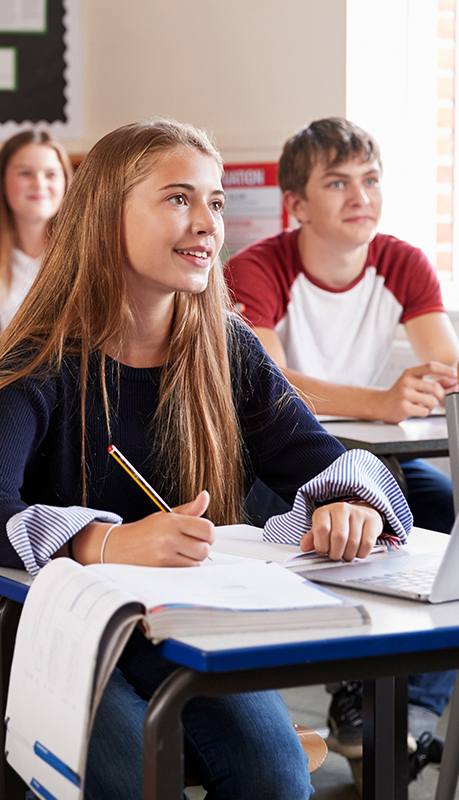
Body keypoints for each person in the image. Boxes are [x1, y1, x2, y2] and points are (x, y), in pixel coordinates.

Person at [0, 119, 412, 799]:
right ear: (105, 217)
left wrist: (349, 501)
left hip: (182, 625)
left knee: (274, 776)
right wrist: (106, 541)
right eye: (178, 199)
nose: (207, 223)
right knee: (135, 776)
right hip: (37, 627)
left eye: (215, 202)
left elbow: (327, 460)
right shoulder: (41, 356)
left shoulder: (224, 348)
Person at [226, 117, 458, 769]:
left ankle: (396, 715)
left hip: (375, 462)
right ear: (296, 204)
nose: (361, 197)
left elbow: (445, 366)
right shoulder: (256, 268)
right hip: (279, 462)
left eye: (371, 180)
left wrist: (429, 384)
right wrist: (383, 401)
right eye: (337, 183)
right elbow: (265, 382)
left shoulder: (402, 261)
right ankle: (359, 695)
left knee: (440, 509)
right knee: (330, 525)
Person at [0, 130, 72, 363]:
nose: (39, 184)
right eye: (25, 173)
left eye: (51, 174)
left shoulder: (87, 252)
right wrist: (44, 341)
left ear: (66, 182)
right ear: (2, 181)